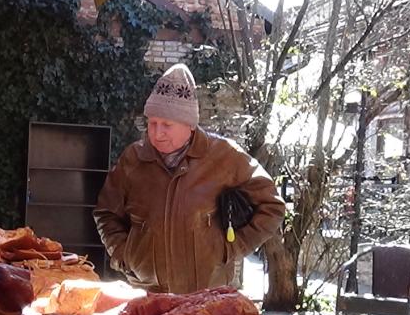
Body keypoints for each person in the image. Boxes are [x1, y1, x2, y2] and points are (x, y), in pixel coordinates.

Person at [93, 64, 285, 294]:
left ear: (189, 125)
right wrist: (123, 256)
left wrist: (232, 248)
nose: (157, 132)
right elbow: (106, 214)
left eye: (167, 125)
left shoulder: (224, 156)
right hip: (146, 295)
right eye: (152, 123)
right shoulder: (133, 160)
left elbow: (272, 205)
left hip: (206, 296)